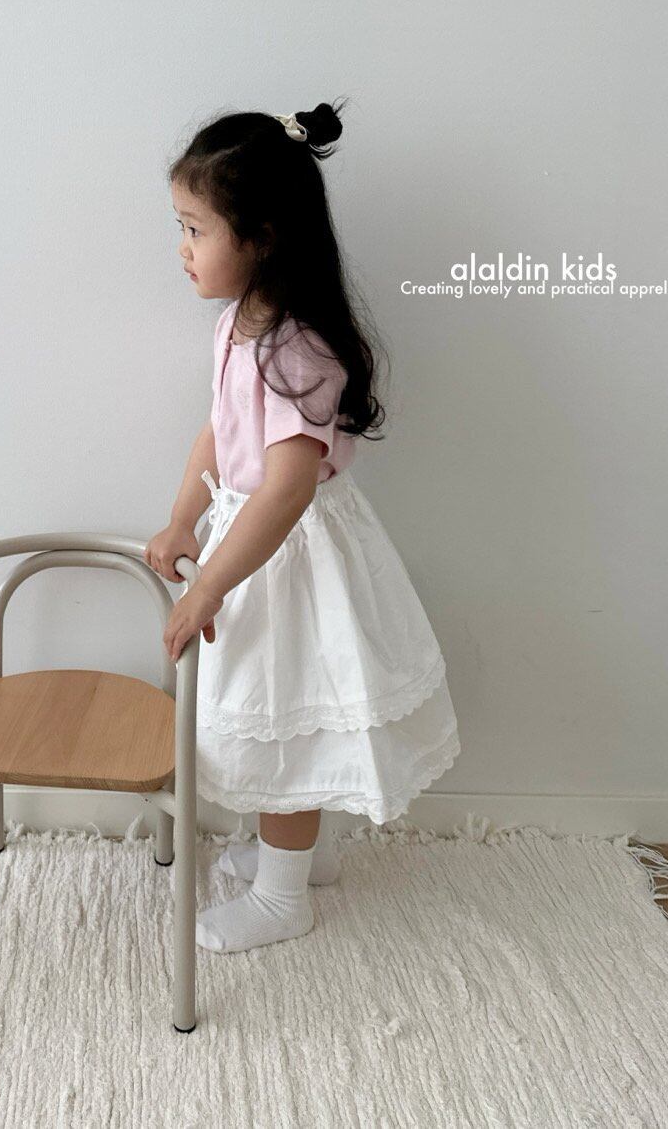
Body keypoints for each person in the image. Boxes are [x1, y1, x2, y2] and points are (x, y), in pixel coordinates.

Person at [145, 100, 460, 954]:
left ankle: (284, 896)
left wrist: (212, 584)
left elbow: (285, 491)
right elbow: (218, 430)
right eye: (181, 227)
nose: (183, 248)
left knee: (285, 716)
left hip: (288, 555)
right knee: (273, 709)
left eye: (196, 229)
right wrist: (183, 516)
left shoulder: (296, 348)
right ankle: (301, 855)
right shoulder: (237, 323)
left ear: (264, 235)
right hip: (251, 539)